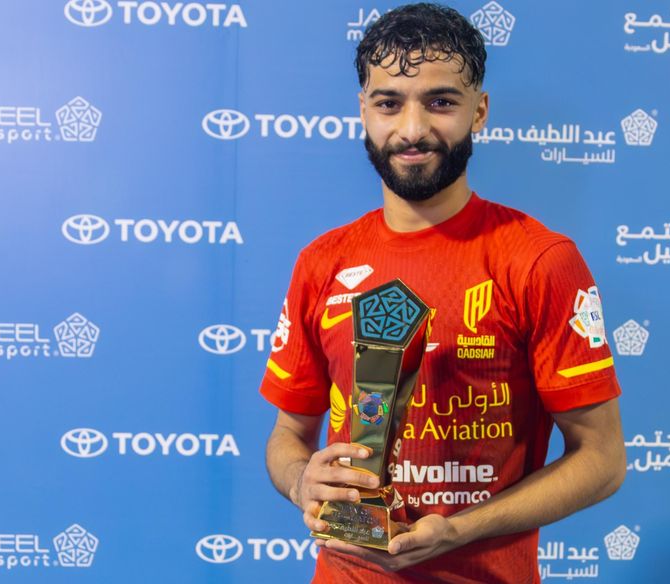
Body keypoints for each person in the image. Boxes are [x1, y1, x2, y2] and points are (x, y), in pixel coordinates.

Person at [260, 3, 626, 582]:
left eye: (440, 102)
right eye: (388, 102)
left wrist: (461, 528)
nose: (412, 129)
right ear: (363, 110)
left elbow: (602, 461)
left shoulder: (540, 261)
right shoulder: (321, 262)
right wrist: (302, 479)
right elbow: (287, 435)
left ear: (478, 111)